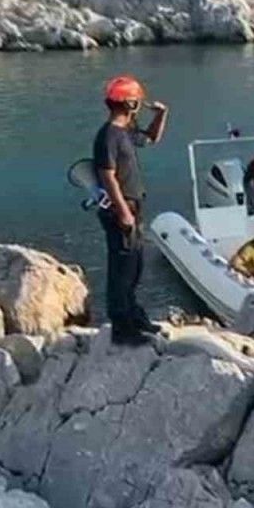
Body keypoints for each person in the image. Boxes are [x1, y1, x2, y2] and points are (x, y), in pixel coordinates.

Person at [93, 75, 169, 346]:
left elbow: (151, 138)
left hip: (133, 207)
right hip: (120, 211)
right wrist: (123, 211)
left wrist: (161, 115)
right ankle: (122, 329)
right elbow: (107, 176)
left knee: (134, 267)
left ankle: (135, 317)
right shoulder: (109, 136)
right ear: (130, 103)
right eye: (136, 100)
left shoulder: (124, 131)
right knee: (122, 271)